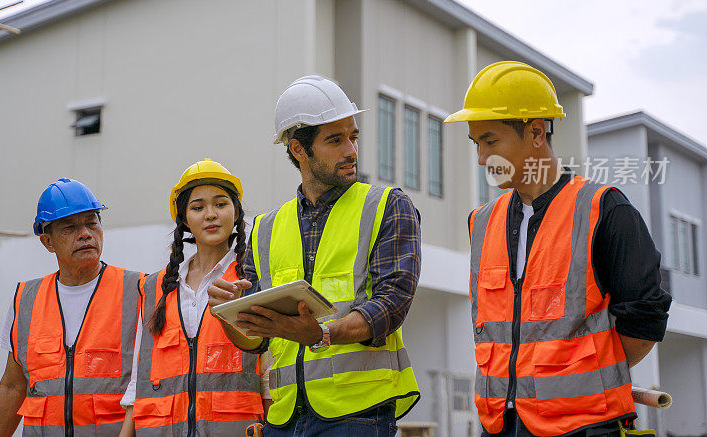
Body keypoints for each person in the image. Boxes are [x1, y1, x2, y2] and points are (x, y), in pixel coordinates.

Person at [444, 61, 672, 437]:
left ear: (536, 132)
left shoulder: (604, 210)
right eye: (476, 144)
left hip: (584, 426)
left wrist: (584, 380)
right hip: (501, 425)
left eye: (490, 141)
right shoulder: (482, 222)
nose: (482, 159)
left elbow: (645, 319)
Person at [208, 75, 421, 436]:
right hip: (284, 417)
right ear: (298, 149)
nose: (351, 150)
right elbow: (258, 341)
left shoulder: (387, 206)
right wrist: (232, 316)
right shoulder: (264, 228)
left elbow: (391, 305)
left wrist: (321, 334)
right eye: (335, 140)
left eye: (353, 137)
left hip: (358, 412)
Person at [120, 159, 264, 437]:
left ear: (236, 213)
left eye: (221, 204)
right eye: (198, 207)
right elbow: (139, 380)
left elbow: (270, 368)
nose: (210, 214)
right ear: (185, 220)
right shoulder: (155, 288)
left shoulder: (252, 276)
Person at [0, 178, 141, 437]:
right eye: (69, 228)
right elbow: (13, 385)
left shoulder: (139, 290)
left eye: (92, 223)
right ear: (48, 242)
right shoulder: (26, 299)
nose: (85, 234)